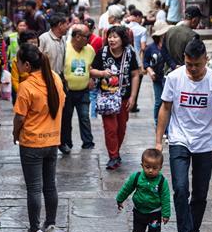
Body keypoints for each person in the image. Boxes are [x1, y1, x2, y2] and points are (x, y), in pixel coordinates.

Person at [156, 38, 212, 232]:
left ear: (206, 60)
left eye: (197, 65)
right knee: (180, 188)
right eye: (189, 64)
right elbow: (165, 108)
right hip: (179, 139)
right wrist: (159, 140)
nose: (193, 69)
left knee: (200, 192)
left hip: (206, 142)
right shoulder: (174, 78)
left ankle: (194, 230)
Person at [13, 43, 64, 232]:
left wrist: (15, 133)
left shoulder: (26, 87)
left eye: (17, 61)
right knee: (49, 185)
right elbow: (62, 102)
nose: (15, 64)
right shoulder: (55, 78)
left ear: (26, 65)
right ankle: (50, 226)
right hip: (53, 141)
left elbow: (19, 117)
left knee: (34, 188)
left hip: (32, 143)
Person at [91, 25, 141, 170]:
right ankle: (113, 156)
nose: (111, 40)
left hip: (124, 97)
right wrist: (102, 74)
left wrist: (133, 97)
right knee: (110, 128)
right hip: (107, 96)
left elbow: (135, 74)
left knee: (121, 128)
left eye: (115, 37)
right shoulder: (102, 53)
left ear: (122, 39)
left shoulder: (129, 53)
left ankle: (116, 153)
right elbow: (91, 71)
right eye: (110, 37)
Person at [116, 148, 171, 232]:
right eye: (147, 167)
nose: (150, 170)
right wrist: (120, 199)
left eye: (154, 168)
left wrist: (166, 213)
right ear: (142, 165)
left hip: (155, 212)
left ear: (160, 167)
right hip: (139, 211)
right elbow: (127, 188)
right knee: (137, 231)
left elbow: (165, 198)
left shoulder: (162, 181)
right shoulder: (136, 177)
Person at [60, 23, 96, 153]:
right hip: (67, 91)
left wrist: (92, 78)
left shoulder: (90, 50)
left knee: (84, 116)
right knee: (66, 118)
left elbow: (91, 67)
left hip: (83, 90)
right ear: (78, 37)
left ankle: (88, 142)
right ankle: (66, 143)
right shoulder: (65, 48)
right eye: (88, 36)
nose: (90, 38)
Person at [144, 21, 174, 126]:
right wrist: (150, 71)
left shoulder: (170, 46)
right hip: (157, 78)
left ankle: (168, 126)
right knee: (158, 101)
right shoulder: (151, 48)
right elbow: (145, 62)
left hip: (169, 78)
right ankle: (158, 123)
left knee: (169, 102)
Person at [10, 30, 39, 101]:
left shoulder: (40, 57)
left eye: (36, 42)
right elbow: (15, 80)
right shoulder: (16, 61)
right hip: (23, 94)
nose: (35, 45)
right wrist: (22, 92)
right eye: (32, 43)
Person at [38, 14, 68, 80]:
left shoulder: (64, 39)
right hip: (46, 79)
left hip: (59, 78)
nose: (67, 27)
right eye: (66, 24)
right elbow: (37, 61)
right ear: (60, 25)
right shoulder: (43, 39)